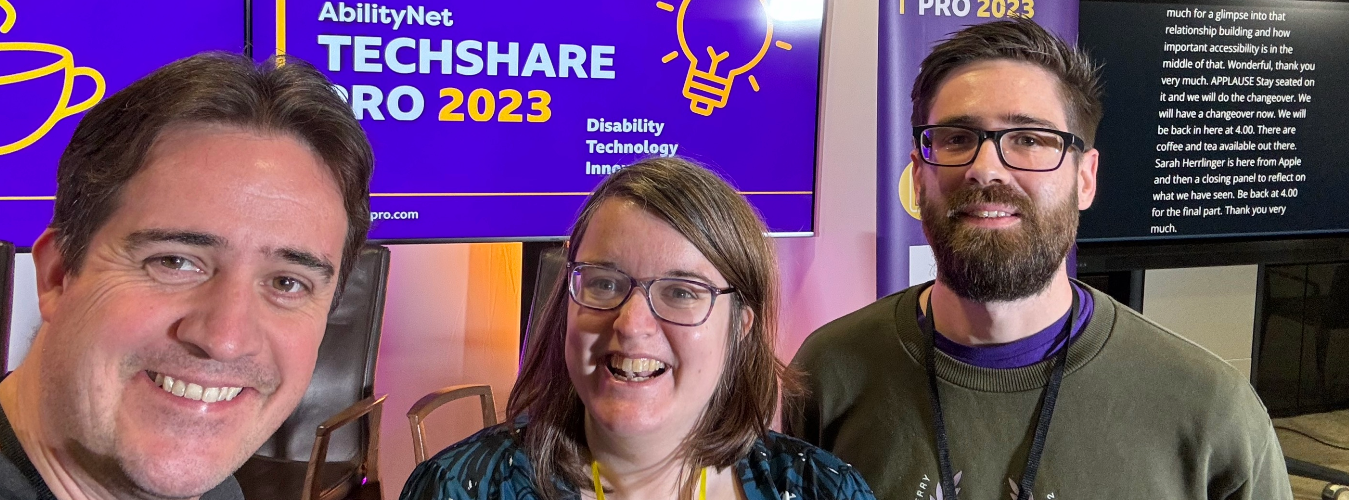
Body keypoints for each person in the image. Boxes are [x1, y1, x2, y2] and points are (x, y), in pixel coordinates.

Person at [784, 18, 1292, 500]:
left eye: (1028, 139)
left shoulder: (1210, 409)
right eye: (958, 138)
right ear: (919, 176)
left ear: (1085, 177)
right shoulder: (829, 374)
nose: (985, 169)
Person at [0, 54, 374, 499]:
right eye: (175, 262)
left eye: (286, 283)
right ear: (58, 275)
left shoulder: (220, 491)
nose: (225, 339)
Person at [400, 157, 874, 500]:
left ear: (740, 326)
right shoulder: (456, 488)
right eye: (605, 283)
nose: (631, 324)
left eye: (682, 292)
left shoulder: (825, 490)